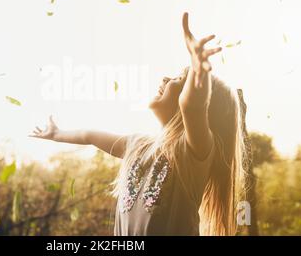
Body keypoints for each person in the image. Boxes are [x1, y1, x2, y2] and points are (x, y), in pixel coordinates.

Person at [30, 13, 246, 236]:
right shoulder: (138, 145)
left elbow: (192, 106)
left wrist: (198, 71)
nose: (165, 79)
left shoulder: (192, 154)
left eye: (179, 79)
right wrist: (57, 133)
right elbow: (89, 135)